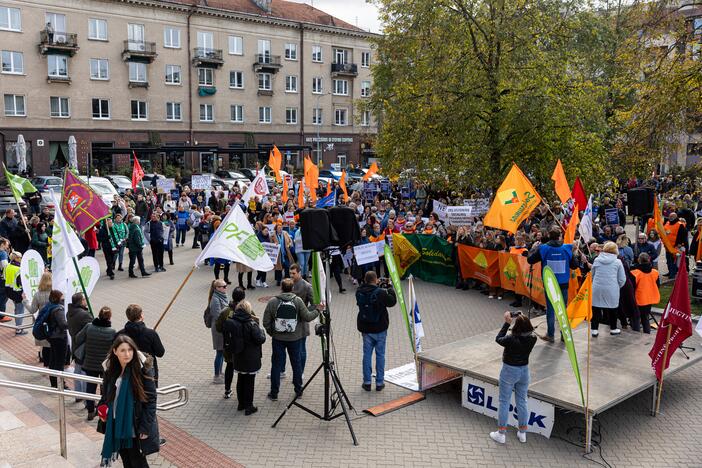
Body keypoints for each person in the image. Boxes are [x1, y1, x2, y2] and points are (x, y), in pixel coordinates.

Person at [98, 334, 159, 468]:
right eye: (123, 350)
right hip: (116, 423)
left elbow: (151, 400)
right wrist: (101, 408)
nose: (127, 354)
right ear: (115, 352)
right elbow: (105, 396)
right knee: (126, 461)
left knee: (138, 462)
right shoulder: (110, 370)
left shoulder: (142, 370)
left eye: (130, 350)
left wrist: (145, 427)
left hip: (134, 425)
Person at [262, 278, 321, 401]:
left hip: (278, 339)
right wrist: (318, 310)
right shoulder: (298, 301)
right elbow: (307, 317)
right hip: (295, 338)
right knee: (296, 364)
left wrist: (272, 332)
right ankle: (298, 390)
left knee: (276, 365)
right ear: (292, 289)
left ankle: (274, 393)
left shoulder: (273, 302)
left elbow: (266, 321)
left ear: (281, 288)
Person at [489, 311, 537, 444]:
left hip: (509, 371)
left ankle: (501, 433)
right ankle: (522, 433)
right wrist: (521, 318)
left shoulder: (511, 339)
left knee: (504, 401)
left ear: (517, 327)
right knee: (522, 401)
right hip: (524, 371)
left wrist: (507, 323)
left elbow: (498, 338)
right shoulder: (533, 338)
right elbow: (525, 332)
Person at [527, 226, 576, 342]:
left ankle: (550, 335)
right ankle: (564, 335)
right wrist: (574, 254)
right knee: (562, 309)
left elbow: (530, 260)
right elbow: (575, 265)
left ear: (549, 236)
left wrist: (533, 248)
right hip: (563, 284)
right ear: (559, 236)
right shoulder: (566, 248)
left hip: (550, 284)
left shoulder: (543, 248)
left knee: (550, 309)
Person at [221, 300, 266, 415]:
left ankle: (240, 404)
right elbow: (260, 339)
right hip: (251, 358)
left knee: (240, 379)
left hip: (238, 356)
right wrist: (262, 332)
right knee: (249, 382)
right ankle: (249, 406)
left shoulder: (232, 322)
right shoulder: (251, 324)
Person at [356, 270, 397, 391]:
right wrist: (389, 288)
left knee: (367, 355)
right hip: (380, 328)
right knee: (380, 355)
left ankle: (367, 382)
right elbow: (392, 302)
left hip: (366, 329)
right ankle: (379, 383)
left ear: (364, 279)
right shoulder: (380, 292)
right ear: (375, 280)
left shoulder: (359, 291)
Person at [75, 306, 116, 420]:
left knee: (90, 387)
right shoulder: (112, 332)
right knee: (105, 388)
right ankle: (103, 411)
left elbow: (78, 339)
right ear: (109, 317)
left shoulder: (89, 327)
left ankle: (90, 411)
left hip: (90, 363)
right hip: (105, 366)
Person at [117, 304, 165, 387]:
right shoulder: (151, 334)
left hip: (127, 371)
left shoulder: (120, 335)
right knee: (149, 396)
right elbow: (160, 353)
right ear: (141, 315)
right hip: (148, 372)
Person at [215, 286, 247, 399]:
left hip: (229, 344)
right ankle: (242, 394)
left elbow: (218, 327)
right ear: (243, 298)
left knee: (229, 366)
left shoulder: (225, 311)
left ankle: (227, 390)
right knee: (242, 370)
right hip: (243, 346)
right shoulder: (247, 310)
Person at [591, 241, 627, 336]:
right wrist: (616, 286)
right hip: (611, 288)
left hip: (597, 287)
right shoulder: (618, 262)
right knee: (613, 308)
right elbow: (622, 279)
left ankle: (594, 329)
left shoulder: (597, 260)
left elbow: (592, 274)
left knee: (596, 308)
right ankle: (613, 328)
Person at [23, 271, 52, 365]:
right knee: (51, 341)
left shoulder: (37, 294)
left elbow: (32, 310)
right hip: (52, 321)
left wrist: (25, 300)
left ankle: (42, 358)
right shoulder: (55, 293)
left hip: (41, 321)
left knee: (43, 341)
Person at [67, 293, 92, 398]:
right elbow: (92, 328)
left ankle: (78, 394)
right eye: (84, 299)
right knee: (84, 372)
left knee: (77, 370)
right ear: (81, 301)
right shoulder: (84, 314)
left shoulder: (69, 312)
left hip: (75, 346)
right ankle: (86, 397)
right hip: (83, 347)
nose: (86, 300)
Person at [43, 290, 68, 388]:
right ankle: (62, 385)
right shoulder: (58, 310)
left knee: (53, 360)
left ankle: (53, 384)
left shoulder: (49, 305)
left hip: (52, 336)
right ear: (58, 298)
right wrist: (71, 323)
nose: (63, 297)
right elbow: (63, 324)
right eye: (62, 296)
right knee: (60, 362)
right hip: (59, 337)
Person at [630, 253, 660, 334]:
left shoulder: (635, 273)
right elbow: (658, 285)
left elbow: (631, 288)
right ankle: (647, 334)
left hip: (638, 299)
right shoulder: (655, 272)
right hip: (650, 298)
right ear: (649, 259)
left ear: (639, 260)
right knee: (645, 318)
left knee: (636, 317)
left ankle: (635, 335)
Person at [207, 279, 229, 384]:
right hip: (218, 329)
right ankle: (216, 376)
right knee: (219, 352)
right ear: (217, 288)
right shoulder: (215, 299)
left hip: (223, 328)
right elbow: (218, 316)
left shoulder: (223, 296)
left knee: (222, 351)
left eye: (225, 285)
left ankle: (220, 372)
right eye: (223, 286)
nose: (226, 287)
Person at [4, 251, 27, 335]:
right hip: (18, 293)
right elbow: (21, 283)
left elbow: (4, 277)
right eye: (20, 257)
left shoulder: (7, 266)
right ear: (16, 258)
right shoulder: (19, 269)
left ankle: (17, 326)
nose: (21, 259)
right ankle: (19, 329)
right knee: (20, 310)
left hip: (9, 291)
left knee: (17, 309)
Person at [663, 212, 688, 279]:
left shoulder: (680, 225)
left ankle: (673, 274)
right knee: (668, 260)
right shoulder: (667, 222)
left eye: (672, 217)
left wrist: (680, 244)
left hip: (675, 246)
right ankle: (670, 271)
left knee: (673, 261)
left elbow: (684, 236)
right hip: (667, 246)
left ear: (675, 217)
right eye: (670, 216)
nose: (670, 218)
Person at [0, 237, 10, 323]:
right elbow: (5, 265)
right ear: (2, 244)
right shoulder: (3, 253)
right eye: (7, 244)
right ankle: (1, 316)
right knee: (3, 297)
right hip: (2, 279)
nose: (8, 246)